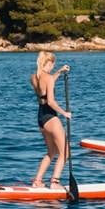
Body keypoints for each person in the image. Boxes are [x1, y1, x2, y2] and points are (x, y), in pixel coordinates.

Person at [28, 51, 72, 188]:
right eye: (54, 64)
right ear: (49, 62)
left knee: (52, 152)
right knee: (65, 153)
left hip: (41, 117)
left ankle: (37, 181)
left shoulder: (34, 77)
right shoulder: (48, 78)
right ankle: (55, 182)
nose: (54, 66)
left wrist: (59, 71)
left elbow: (46, 86)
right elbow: (51, 102)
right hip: (51, 117)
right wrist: (64, 113)